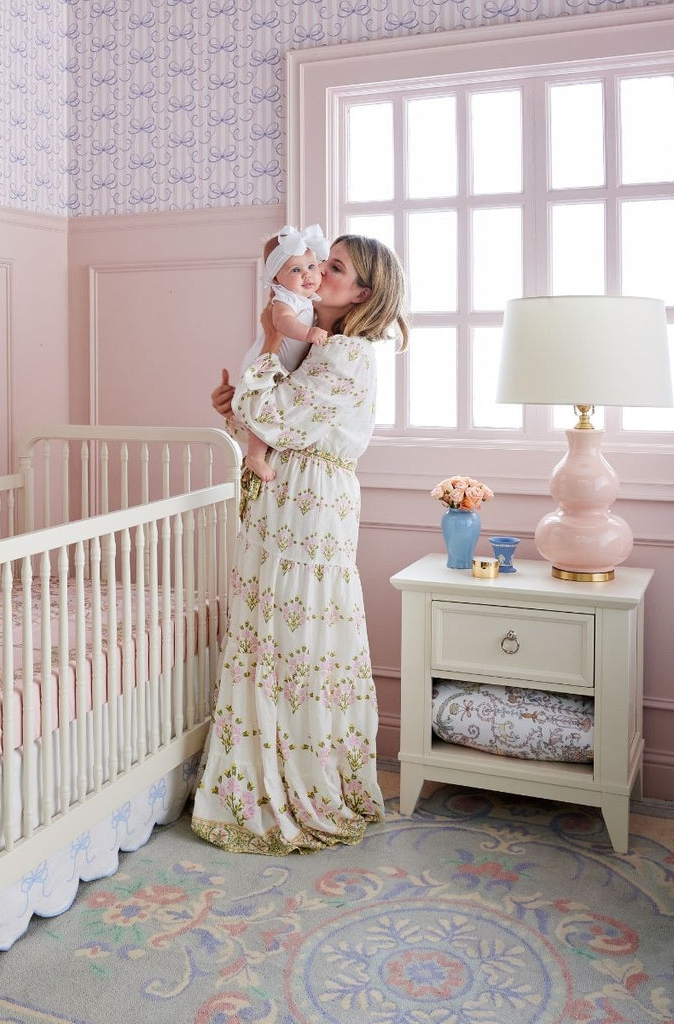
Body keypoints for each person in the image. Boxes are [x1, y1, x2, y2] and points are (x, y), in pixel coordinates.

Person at [191, 233, 409, 855]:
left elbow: (282, 418)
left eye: (333, 268)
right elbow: (266, 417)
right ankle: (261, 774)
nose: (317, 274)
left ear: (361, 292)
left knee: (299, 633)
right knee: (271, 630)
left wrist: (265, 346)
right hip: (285, 494)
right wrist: (233, 407)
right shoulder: (320, 349)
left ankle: (299, 775)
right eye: (316, 264)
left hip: (310, 504)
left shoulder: (349, 355)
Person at [240, 224, 329, 482]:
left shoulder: (306, 297)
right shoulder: (284, 300)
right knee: (264, 405)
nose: (307, 275)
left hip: (284, 366)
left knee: (272, 407)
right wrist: (307, 333)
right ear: (276, 278)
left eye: (311, 267)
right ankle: (255, 456)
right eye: (296, 270)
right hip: (268, 364)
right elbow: (282, 323)